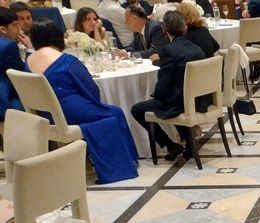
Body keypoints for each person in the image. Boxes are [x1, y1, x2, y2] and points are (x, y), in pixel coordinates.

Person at [25, 20, 139, 183]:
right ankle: (122, 164)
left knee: (111, 112)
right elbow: (91, 88)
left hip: (45, 115)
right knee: (115, 112)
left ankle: (123, 161)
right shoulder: (65, 60)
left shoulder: (28, 61)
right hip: (69, 111)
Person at [130, 10, 207, 162]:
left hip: (182, 103)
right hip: (202, 99)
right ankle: (188, 144)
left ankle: (170, 145)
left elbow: (163, 86)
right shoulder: (197, 49)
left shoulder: (168, 51)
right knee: (172, 97)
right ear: (184, 28)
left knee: (137, 109)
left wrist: (156, 96)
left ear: (164, 29)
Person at [0, 6, 24, 122]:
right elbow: (23, 76)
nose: (19, 30)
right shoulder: (8, 46)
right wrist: (30, 50)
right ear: (3, 29)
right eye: (15, 25)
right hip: (4, 104)